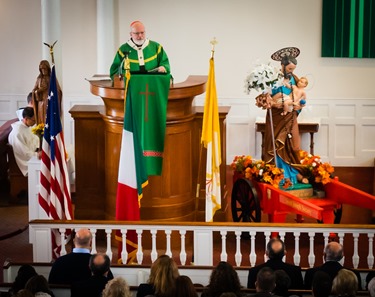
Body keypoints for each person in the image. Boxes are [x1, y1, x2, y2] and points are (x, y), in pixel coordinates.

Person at [263, 47, 308, 186]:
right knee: (276, 146)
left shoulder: (295, 79)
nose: (291, 71)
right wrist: (273, 104)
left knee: (293, 146)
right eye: (289, 68)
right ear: (282, 66)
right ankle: (279, 175)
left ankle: (294, 173)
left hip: (291, 117)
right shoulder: (272, 79)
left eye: (293, 68)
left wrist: (299, 106)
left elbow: (301, 97)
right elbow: (266, 98)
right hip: (277, 118)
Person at [48, 228, 113, 285]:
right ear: (90, 242)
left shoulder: (59, 262)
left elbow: (51, 285)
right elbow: (110, 286)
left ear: (74, 241)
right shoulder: (99, 262)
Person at [8, 107, 40, 176]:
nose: (34, 123)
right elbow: (24, 153)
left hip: (33, 154)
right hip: (25, 162)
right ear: (26, 119)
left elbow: (34, 140)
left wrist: (38, 149)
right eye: (33, 120)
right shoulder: (17, 133)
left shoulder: (26, 127)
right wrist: (37, 155)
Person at [32, 60, 62, 125]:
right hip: (41, 103)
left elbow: (58, 91)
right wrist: (38, 91)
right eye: (41, 69)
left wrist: (51, 91)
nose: (43, 71)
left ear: (48, 68)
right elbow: (34, 90)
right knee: (42, 121)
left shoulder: (52, 79)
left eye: (44, 68)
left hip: (50, 103)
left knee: (50, 121)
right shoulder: (39, 79)